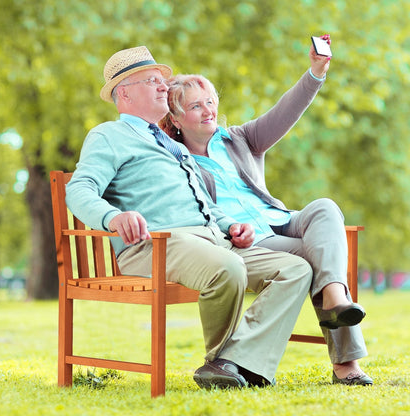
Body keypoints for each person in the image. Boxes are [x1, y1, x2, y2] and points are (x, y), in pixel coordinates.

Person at [65, 46, 314, 390]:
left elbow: (204, 205)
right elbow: (78, 189)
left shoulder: (175, 146)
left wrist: (230, 226)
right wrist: (112, 217)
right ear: (124, 93)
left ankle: (234, 362)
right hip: (156, 245)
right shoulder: (109, 135)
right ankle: (221, 362)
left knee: (295, 269)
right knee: (228, 268)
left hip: (210, 239)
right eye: (151, 81)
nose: (162, 86)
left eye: (162, 80)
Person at [160, 35, 373, 386]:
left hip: (281, 220)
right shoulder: (176, 160)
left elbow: (285, 111)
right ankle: (346, 366)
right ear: (177, 118)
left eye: (210, 101)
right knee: (319, 257)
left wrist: (315, 72)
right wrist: (230, 229)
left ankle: (334, 291)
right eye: (197, 106)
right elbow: (197, 210)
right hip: (250, 242)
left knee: (325, 207)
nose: (209, 110)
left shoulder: (240, 138)